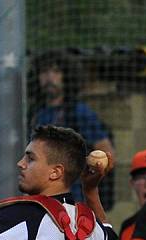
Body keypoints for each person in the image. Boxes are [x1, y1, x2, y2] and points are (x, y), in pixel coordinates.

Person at [31, 50, 116, 209]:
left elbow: (107, 153)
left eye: (56, 71)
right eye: (44, 71)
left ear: (67, 75)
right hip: (43, 199)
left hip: (75, 202)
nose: (49, 77)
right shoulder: (36, 113)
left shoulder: (80, 112)